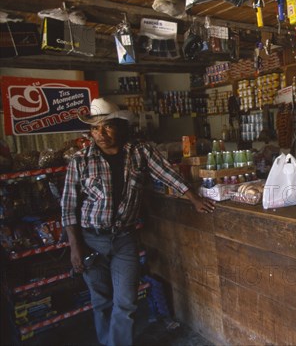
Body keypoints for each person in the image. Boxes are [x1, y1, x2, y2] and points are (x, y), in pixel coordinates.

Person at [61, 98, 215, 346]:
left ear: (120, 126)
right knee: (101, 300)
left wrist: (193, 197)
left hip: (124, 238)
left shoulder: (140, 151)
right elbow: (68, 206)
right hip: (90, 239)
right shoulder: (80, 160)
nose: (100, 134)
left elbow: (166, 173)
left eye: (107, 126)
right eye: (95, 128)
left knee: (126, 301)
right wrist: (75, 246)